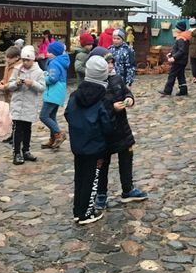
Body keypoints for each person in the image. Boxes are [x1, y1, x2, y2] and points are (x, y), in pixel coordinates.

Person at [89, 48, 148, 210]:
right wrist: (112, 108)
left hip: (122, 129)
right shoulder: (94, 85)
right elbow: (94, 108)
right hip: (104, 131)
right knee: (102, 164)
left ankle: (128, 189)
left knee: (126, 159)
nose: (110, 66)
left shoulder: (117, 79)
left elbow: (126, 92)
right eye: (106, 63)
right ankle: (101, 193)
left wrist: (129, 99)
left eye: (111, 62)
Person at [65, 56, 115, 225]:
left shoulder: (75, 95)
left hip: (78, 143)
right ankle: (86, 213)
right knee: (92, 178)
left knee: (79, 177)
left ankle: (77, 211)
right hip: (95, 146)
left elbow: (67, 114)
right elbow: (107, 125)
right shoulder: (102, 99)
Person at [6, 46, 46, 165]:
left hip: (29, 104)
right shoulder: (17, 69)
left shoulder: (39, 72)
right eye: (23, 60)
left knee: (27, 129)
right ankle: (16, 153)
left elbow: (42, 88)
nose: (25, 62)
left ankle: (26, 150)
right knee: (17, 129)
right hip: (18, 104)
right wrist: (16, 83)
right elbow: (10, 85)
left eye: (27, 60)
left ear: (32, 60)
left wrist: (32, 83)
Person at [40, 41, 70, 149]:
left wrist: (43, 78)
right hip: (59, 92)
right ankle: (53, 139)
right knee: (51, 116)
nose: (47, 53)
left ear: (54, 53)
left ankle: (59, 134)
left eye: (49, 52)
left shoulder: (53, 62)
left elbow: (53, 78)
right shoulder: (61, 61)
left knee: (43, 116)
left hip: (53, 92)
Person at [158, 21, 191, 96]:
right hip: (182, 61)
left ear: (180, 29)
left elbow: (181, 50)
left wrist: (174, 57)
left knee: (172, 75)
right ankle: (183, 90)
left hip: (179, 61)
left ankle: (167, 90)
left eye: (176, 27)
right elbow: (177, 48)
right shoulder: (183, 37)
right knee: (180, 75)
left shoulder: (181, 38)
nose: (175, 28)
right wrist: (171, 53)